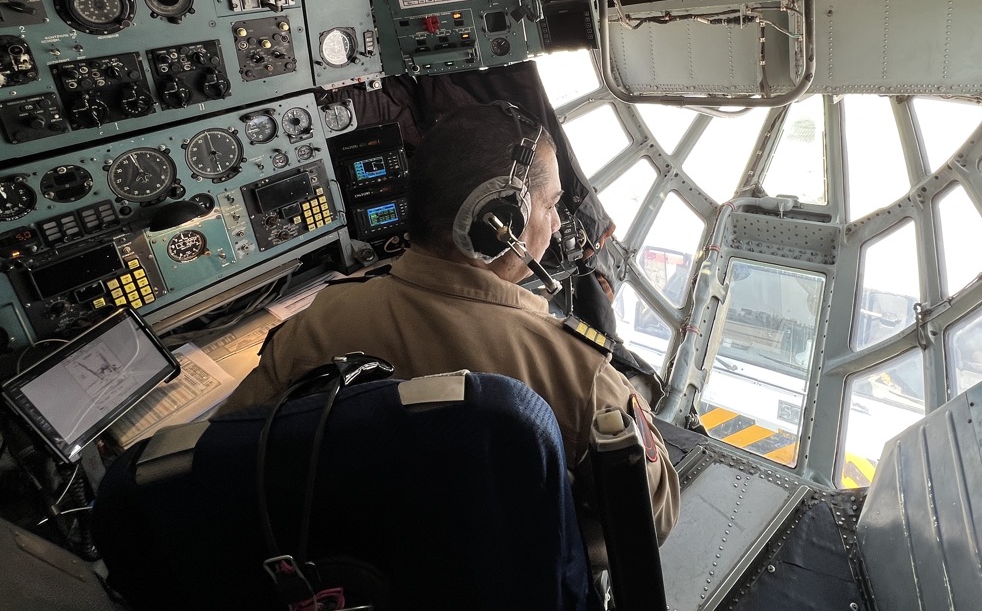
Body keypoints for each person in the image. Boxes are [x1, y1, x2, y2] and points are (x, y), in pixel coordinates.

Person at [221, 101, 680, 562]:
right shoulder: (577, 372)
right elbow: (655, 516)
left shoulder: (320, 321)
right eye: (551, 205)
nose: (558, 223)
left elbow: (224, 448)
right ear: (498, 223)